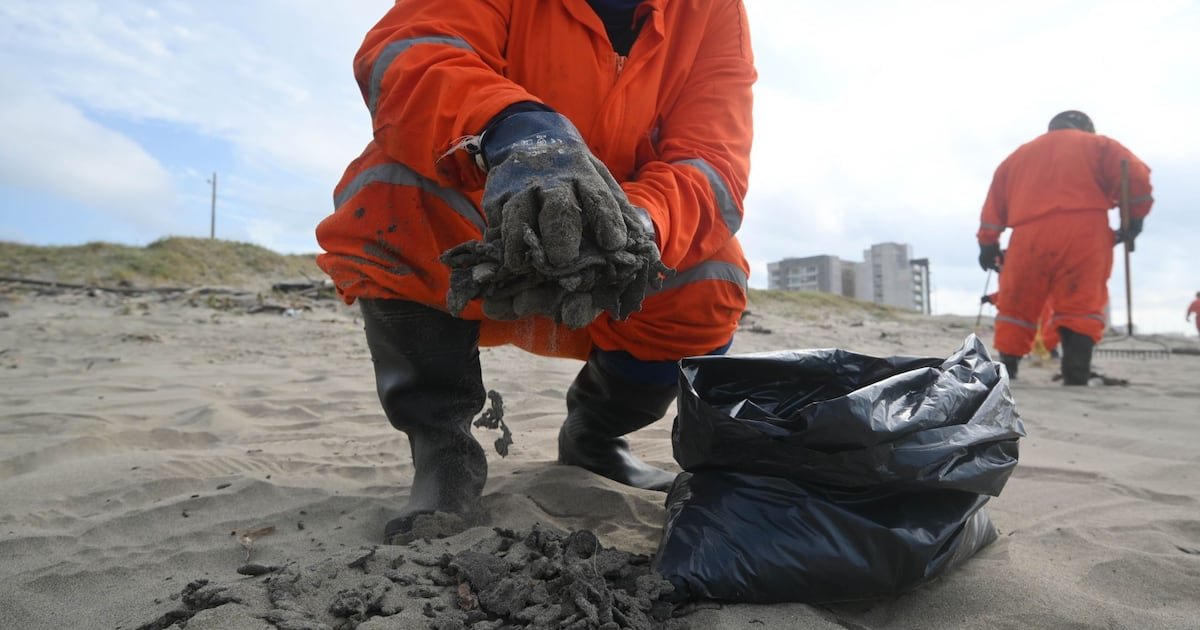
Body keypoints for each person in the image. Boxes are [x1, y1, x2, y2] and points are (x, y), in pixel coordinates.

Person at [315, 0, 755, 542]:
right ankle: (444, 454)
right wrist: (516, 128)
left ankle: (595, 437)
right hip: (487, 200)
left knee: (711, 275)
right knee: (390, 197)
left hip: (616, 230)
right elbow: (412, 50)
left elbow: (713, 160)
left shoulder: (712, 11)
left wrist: (637, 223)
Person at [976, 110, 1153, 384]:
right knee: (1080, 305)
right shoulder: (1099, 145)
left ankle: (1007, 371)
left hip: (1028, 235)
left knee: (1016, 305)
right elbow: (1135, 175)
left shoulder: (1018, 157)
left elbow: (994, 201)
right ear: (1086, 128)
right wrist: (1135, 219)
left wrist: (988, 243)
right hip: (1084, 231)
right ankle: (1076, 375)